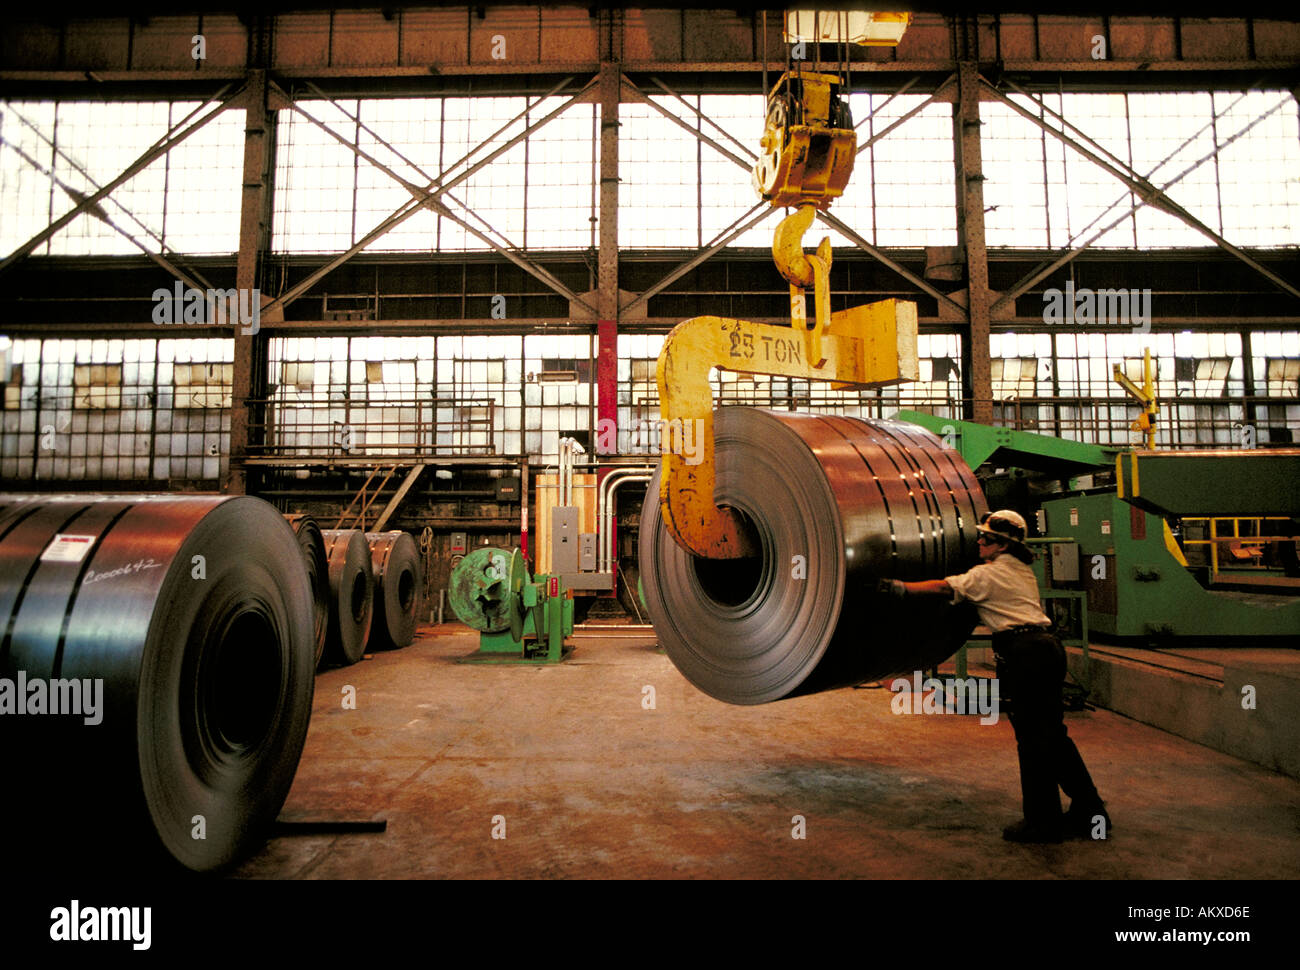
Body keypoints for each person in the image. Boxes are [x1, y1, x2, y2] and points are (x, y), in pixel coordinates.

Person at [878, 510, 1111, 844]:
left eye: (986, 537)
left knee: (1032, 741)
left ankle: (1043, 824)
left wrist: (900, 588)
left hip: (1025, 655)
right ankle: (1091, 812)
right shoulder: (1021, 570)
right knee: (1053, 736)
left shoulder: (988, 575)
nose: (980, 541)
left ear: (1002, 544)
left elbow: (945, 588)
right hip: (1047, 650)